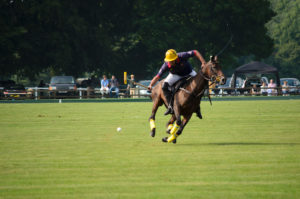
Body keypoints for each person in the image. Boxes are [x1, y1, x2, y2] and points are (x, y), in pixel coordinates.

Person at [148, 49, 206, 115]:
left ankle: (197, 107)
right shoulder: (166, 65)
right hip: (175, 75)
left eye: (171, 61)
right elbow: (157, 76)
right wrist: (150, 85)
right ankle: (170, 106)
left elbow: (195, 52)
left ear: (175, 59)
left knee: (199, 85)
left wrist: (203, 62)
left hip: (189, 73)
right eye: (168, 61)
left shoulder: (182, 55)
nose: (169, 62)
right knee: (164, 86)